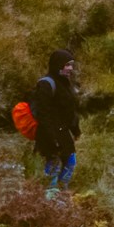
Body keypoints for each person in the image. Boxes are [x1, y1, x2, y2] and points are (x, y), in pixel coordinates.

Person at [30, 48, 82, 197]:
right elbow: (43, 114)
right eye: (67, 65)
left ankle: (61, 192)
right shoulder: (46, 85)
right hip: (49, 133)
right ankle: (49, 196)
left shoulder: (65, 84)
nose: (70, 69)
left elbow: (70, 110)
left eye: (71, 65)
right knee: (53, 164)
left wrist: (75, 130)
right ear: (57, 65)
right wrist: (52, 138)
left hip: (63, 132)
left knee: (70, 162)